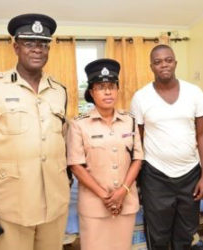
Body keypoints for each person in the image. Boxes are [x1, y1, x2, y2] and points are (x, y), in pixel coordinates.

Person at [0, 13, 70, 250]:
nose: (37, 50)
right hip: (11, 205)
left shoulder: (59, 91)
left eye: (43, 44)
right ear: (16, 47)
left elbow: (61, 142)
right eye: (29, 43)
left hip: (54, 204)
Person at [130, 44, 203, 250]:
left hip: (190, 174)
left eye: (168, 60)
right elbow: (136, 141)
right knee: (158, 235)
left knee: (185, 234)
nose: (163, 65)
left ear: (175, 62)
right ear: (151, 66)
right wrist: (136, 179)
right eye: (157, 62)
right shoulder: (141, 97)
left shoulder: (194, 92)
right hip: (155, 175)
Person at [67, 58, 144, 250]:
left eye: (112, 86)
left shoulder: (130, 121)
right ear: (92, 92)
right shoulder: (78, 124)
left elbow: (138, 158)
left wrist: (122, 191)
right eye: (101, 87)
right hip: (94, 205)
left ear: (117, 90)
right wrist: (106, 197)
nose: (108, 91)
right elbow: (76, 165)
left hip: (126, 202)